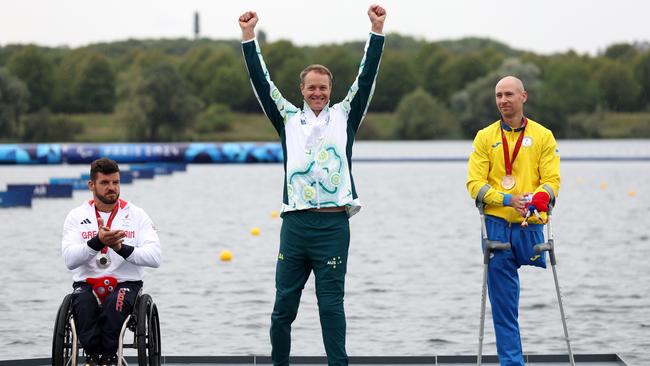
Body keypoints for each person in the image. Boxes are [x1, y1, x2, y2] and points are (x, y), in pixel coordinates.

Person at [239, 5, 386, 365]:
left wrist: (377, 31)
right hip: (296, 225)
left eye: (323, 87)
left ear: (331, 90)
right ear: (302, 90)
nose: (317, 93)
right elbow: (262, 84)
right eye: (311, 87)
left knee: (331, 307)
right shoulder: (287, 118)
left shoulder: (345, 115)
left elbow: (366, 78)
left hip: (334, 226)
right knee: (282, 308)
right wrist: (248, 38)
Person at [466, 76, 561, 366]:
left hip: (531, 224)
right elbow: (474, 184)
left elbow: (552, 181)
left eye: (509, 94)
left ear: (524, 97)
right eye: (498, 95)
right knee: (504, 307)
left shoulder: (543, 136)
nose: (503, 100)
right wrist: (508, 200)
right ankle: (512, 363)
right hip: (496, 225)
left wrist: (538, 199)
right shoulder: (485, 137)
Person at [61, 157, 161, 366]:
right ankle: (94, 358)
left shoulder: (137, 215)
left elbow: (155, 258)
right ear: (91, 185)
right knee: (84, 307)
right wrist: (97, 242)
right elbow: (70, 260)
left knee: (114, 308)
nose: (111, 188)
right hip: (87, 284)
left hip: (125, 283)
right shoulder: (76, 216)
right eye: (105, 183)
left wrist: (120, 248)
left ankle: (106, 358)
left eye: (115, 182)